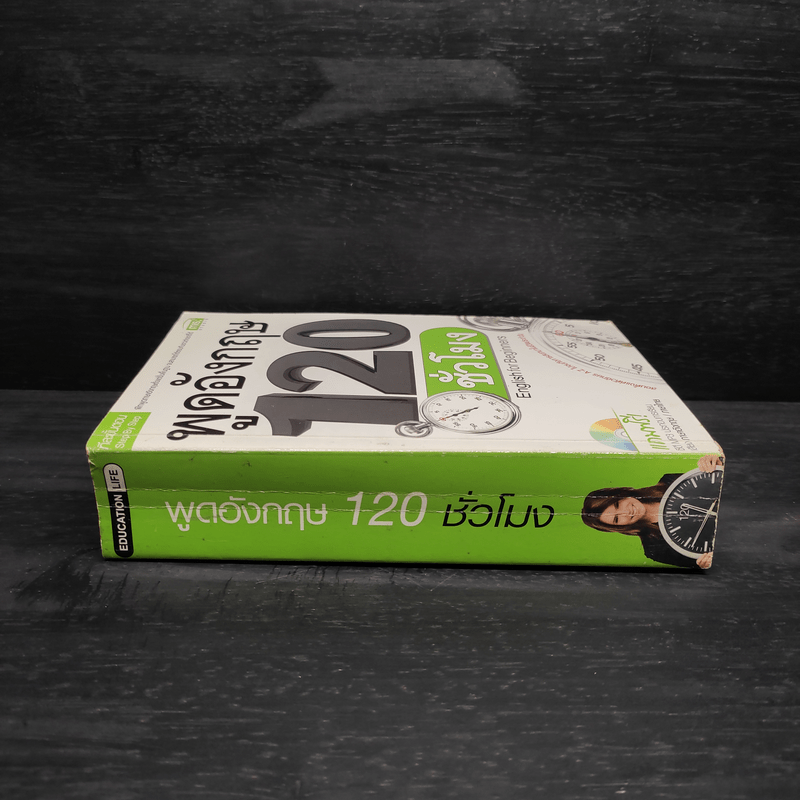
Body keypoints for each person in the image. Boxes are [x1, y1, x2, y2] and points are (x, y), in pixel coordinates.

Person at [581, 453, 723, 569]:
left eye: (617, 505)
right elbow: (704, 563)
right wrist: (707, 562)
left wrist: (717, 464)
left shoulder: (669, 481)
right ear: (618, 527)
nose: (626, 512)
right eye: (616, 519)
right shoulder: (655, 549)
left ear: (622, 494)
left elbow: (717, 481)